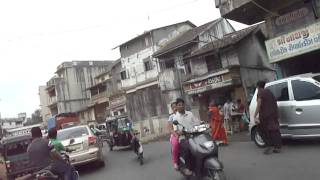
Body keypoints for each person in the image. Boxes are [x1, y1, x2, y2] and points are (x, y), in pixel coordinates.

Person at [173, 98, 200, 176]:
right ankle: (187, 167)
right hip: (183, 138)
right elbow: (175, 130)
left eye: (182, 104)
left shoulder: (190, 114)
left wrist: (201, 123)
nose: (181, 106)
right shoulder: (176, 117)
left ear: (184, 105)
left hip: (194, 135)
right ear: (176, 107)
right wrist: (180, 132)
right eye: (179, 105)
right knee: (188, 147)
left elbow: (196, 122)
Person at [254, 81, 281, 154]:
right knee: (275, 130)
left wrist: (255, 115)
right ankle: (277, 147)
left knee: (263, 130)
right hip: (273, 114)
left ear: (257, 86)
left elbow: (259, 104)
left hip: (266, 116)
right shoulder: (269, 91)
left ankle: (270, 146)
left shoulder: (260, 92)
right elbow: (274, 102)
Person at [167, 102, 179, 170]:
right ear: (172, 109)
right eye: (173, 107)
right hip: (175, 135)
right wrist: (175, 134)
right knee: (176, 144)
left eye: (176, 106)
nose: (175, 108)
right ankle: (175, 162)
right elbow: (170, 128)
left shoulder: (184, 114)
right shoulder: (171, 117)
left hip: (185, 133)